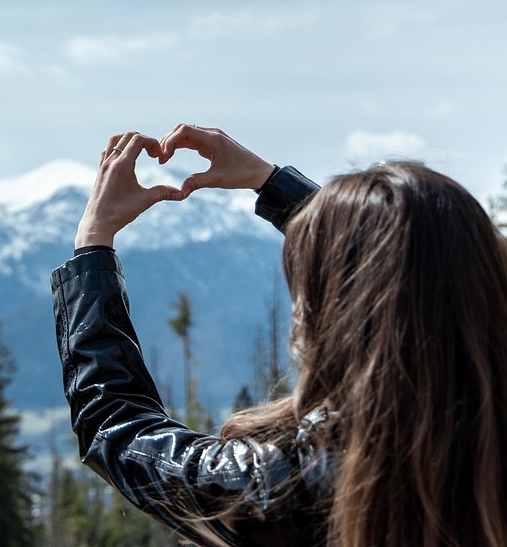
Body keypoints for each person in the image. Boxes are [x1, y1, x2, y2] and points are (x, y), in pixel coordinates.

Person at [51, 125, 507, 547]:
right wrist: (269, 183)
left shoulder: (288, 481)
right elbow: (411, 272)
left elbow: (118, 428)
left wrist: (93, 243)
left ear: (329, 320)